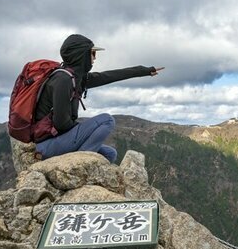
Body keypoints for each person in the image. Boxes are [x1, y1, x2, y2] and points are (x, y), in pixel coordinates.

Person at [33, 34, 163, 163]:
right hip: (47, 144)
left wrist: (143, 71)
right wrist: (83, 129)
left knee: (110, 154)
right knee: (107, 120)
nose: (95, 58)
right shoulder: (63, 80)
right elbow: (61, 124)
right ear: (81, 55)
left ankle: (82, 166)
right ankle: (80, 163)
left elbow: (109, 76)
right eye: (93, 53)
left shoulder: (78, 78)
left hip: (60, 140)